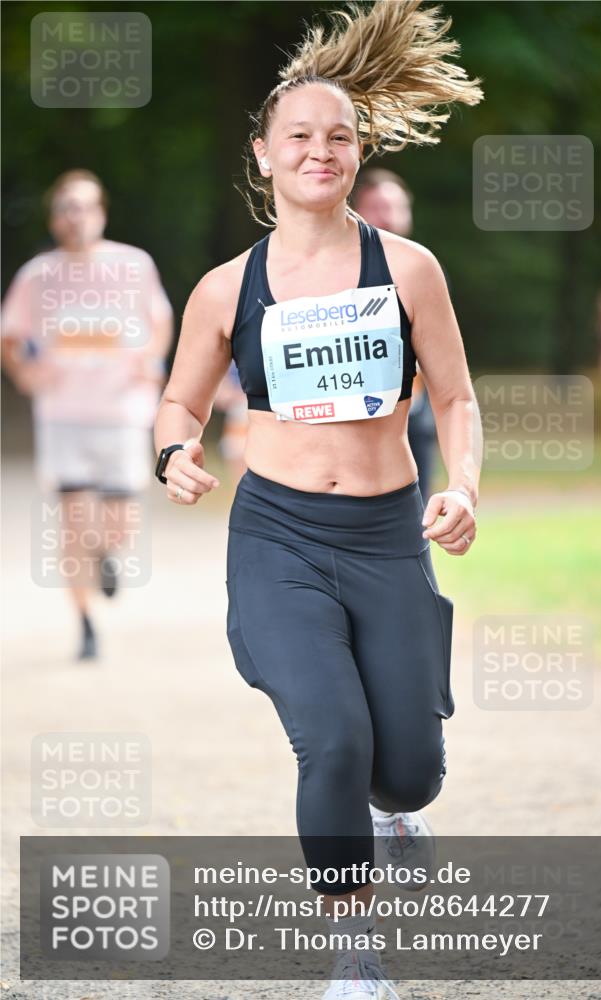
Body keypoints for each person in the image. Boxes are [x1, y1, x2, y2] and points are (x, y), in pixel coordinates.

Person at [153, 2, 482, 996]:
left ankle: (395, 807)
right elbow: (179, 398)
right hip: (279, 537)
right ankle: (353, 954)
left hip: (386, 533)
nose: (319, 150)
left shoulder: (408, 269)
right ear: (262, 154)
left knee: (407, 769)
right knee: (331, 738)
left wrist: (460, 486)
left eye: (338, 136)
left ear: (358, 151)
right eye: (297, 135)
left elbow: (459, 398)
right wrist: (175, 448)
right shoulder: (225, 288)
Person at [1, 169, 173, 660]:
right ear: (55, 219)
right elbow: (10, 337)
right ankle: (85, 625)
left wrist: (151, 362)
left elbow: (159, 321)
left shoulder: (133, 265)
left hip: (122, 412)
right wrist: (25, 373)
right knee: (74, 521)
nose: (75, 217)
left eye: (84, 206)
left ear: (100, 213)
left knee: (118, 524)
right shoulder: (38, 276)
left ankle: (107, 554)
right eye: (66, 208)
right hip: (64, 415)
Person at [351, 167, 441, 502]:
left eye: (396, 207)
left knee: (418, 519)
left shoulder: (425, 271)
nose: (387, 216)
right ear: (356, 210)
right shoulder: (335, 273)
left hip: (415, 421)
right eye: (378, 207)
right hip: (355, 425)